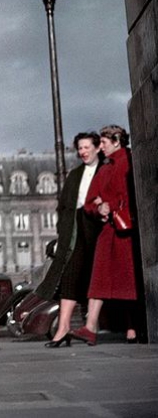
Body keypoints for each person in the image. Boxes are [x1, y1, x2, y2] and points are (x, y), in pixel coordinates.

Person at [72, 125, 138, 345]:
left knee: (129, 281)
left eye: (104, 143)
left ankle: (132, 327)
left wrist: (109, 203)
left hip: (127, 230)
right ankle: (91, 327)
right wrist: (98, 208)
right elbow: (91, 200)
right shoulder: (105, 168)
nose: (100, 148)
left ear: (117, 140)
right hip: (110, 231)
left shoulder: (130, 162)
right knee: (100, 279)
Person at [35, 132, 103, 347]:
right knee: (70, 276)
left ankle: (93, 327)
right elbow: (63, 205)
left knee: (98, 276)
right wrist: (62, 231)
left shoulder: (105, 170)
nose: (83, 152)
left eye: (86, 147)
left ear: (98, 147)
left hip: (98, 227)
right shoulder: (75, 174)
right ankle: (63, 328)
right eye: (80, 148)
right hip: (75, 227)